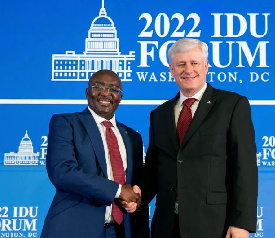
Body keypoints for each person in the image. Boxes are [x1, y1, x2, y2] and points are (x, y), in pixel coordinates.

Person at [138, 38, 258, 238]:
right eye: (181, 64)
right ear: (171, 69)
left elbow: (245, 168)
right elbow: (154, 168)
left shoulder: (232, 105)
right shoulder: (159, 114)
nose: (188, 70)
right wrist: (136, 194)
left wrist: (241, 223)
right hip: (167, 225)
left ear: (206, 66)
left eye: (194, 63)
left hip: (214, 224)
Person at [41, 70, 149, 238]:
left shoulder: (133, 136)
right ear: (87, 92)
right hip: (76, 229)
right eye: (98, 87)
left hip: (122, 230)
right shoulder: (66, 123)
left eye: (113, 89)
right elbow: (62, 173)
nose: (105, 93)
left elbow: (135, 185)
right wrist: (118, 190)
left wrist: (136, 199)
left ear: (121, 97)